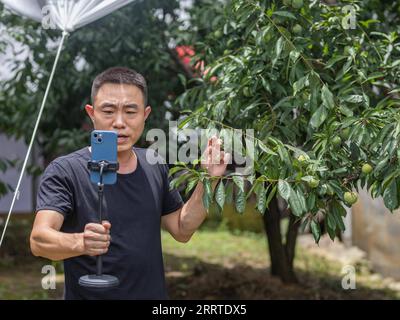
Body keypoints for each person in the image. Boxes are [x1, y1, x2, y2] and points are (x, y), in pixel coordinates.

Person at [30, 67, 229, 299]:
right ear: (91, 113)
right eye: (108, 111)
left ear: (145, 115)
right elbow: (39, 240)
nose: (119, 122)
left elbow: (182, 230)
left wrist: (210, 180)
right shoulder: (65, 170)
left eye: (130, 111)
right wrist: (81, 242)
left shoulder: (154, 163)